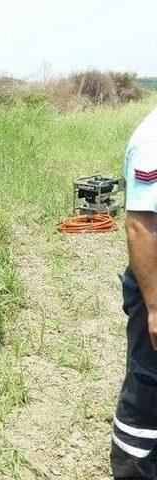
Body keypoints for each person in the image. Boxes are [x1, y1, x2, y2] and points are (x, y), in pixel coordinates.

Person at [111, 105, 157, 479]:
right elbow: (141, 226)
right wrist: (155, 307)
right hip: (154, 286)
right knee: (148, 384)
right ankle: (134, 469)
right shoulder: (152, 140)